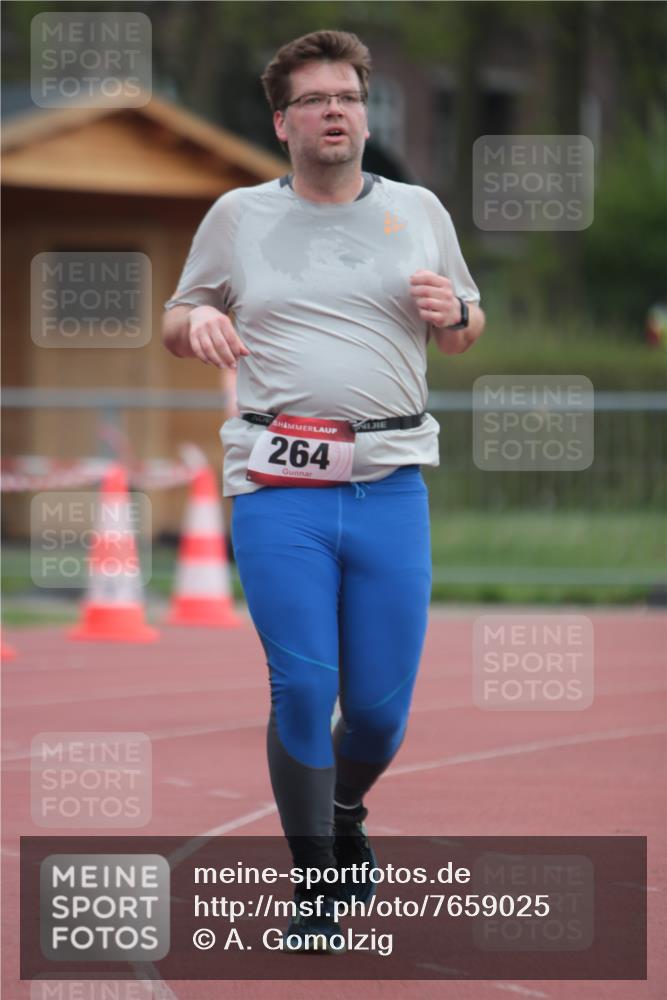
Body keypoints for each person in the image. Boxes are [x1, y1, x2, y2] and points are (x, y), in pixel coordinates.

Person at [162, 29, 485, 953]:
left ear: (364, 110)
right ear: (283, 121)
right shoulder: (237, 215)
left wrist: (456, 315)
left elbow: (467, 324)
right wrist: (197, 331)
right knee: (302, 684)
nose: (336, 110)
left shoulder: (419, 208)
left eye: (349, 95)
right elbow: (180, 311)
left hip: (389, 486)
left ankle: (342, 811)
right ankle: (314, 885)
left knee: (379, 714)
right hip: (276, 485)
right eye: (315, 99)